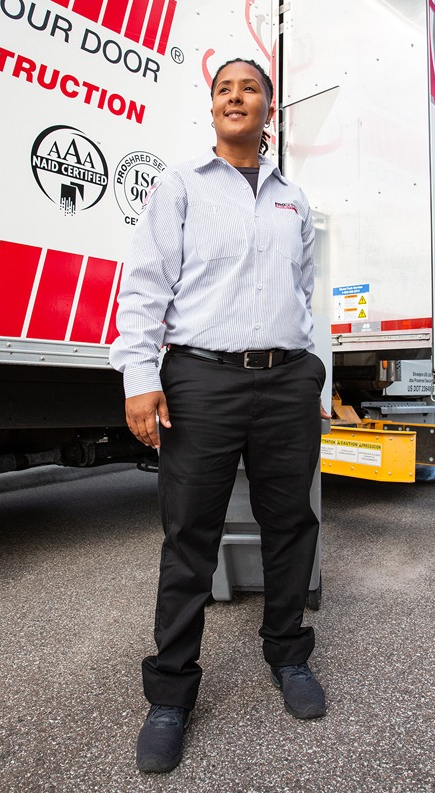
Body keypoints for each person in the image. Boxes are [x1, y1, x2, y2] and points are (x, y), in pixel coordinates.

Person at [109, 57, 329, 774]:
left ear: (271, 110)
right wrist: (139, 377)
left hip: (286, 380)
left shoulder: (295, 199)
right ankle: (171, 695)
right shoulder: (179, 187)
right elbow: (144, 286)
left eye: (251, 89)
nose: (237, 97)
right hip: (202, 379)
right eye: (224, 89)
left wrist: (317, 379)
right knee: (190, 535)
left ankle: (288, 654)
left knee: (291, 522)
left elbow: (303, 295)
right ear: (212, 109)